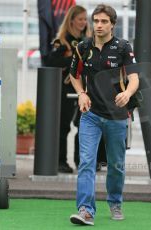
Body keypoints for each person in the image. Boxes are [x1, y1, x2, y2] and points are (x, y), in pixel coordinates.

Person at [68, 4, 139, 226]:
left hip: (117, 116)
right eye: (96, 21)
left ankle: (115, 201)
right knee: (87, 162)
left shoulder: (123, 47)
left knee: (116, 164)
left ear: (112, 25)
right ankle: (86, 210)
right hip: (90, 115)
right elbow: (74, 75)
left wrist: (127, 93)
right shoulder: (83, 47)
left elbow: (135, 78)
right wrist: (81, 93)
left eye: (104, 22)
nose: (99, 25)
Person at [46, 5, 91, 173]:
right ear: (71, 20)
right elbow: (50, 62)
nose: (83, 22)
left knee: (85, 125)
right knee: (63, 126)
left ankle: (82, 162)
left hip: (85, 90)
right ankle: (61, 162)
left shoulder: (89, 40)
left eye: (85, 19)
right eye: (80, 19)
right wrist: (73, 62)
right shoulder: (62, 40)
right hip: (65, 90)